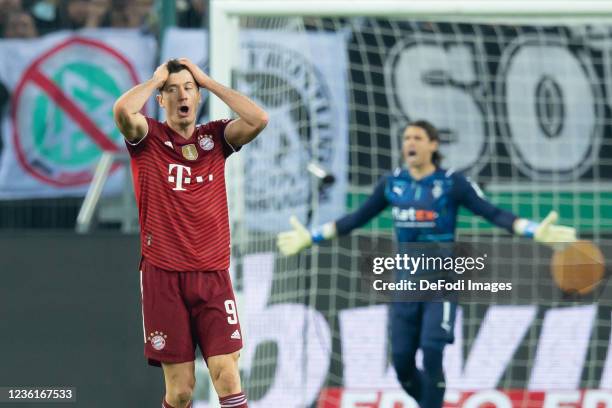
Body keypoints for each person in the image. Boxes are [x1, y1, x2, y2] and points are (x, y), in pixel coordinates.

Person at [277, 120, 576, 408]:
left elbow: (492, 213)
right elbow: (355, 219)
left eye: (417, 138)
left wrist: (533, 229)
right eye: (406, 138)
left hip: (441, 286)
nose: (410, 143)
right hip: (405, 287)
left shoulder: (451, 183)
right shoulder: (392, 184)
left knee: (432, 351)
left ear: (433, 145)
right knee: (402, 365)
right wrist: (311, 237)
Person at [113, 58, 268, 408]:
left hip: (212, 274)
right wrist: (154, 81)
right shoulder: (147, 137)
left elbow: (259, 119)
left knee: (226, 374)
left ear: (197, 97)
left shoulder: (215, 138)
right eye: (172, 90)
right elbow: (122, 110)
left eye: (188, 89)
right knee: (181, 391)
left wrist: (208, 82)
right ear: (161, 100)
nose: (181, 95)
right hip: (163, 276)